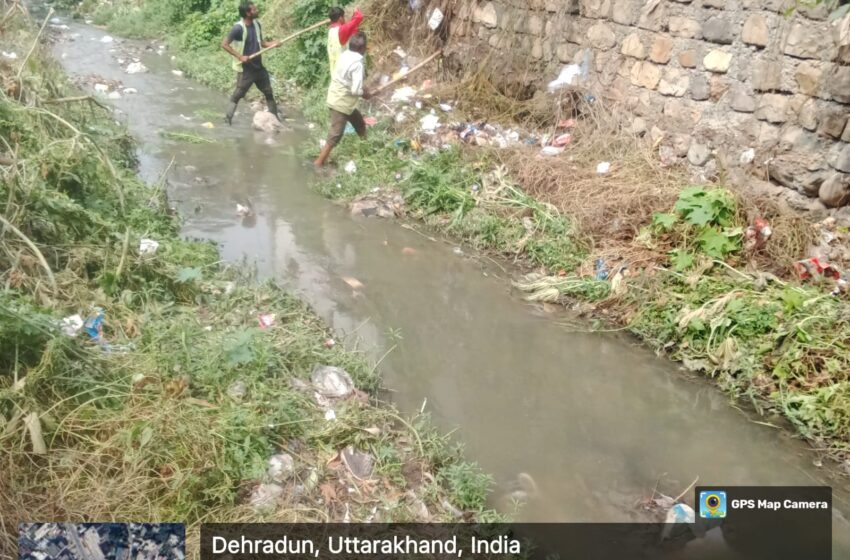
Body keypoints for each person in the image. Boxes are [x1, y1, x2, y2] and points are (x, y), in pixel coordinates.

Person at [314, 32, 370, 169]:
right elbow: (356, 90)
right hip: (341, 103)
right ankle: (318, 163)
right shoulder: (357, 64)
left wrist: (362, 89)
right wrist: (365, 94)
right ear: (362, 48)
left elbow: (348, 80)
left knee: (359, 123)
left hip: (338, 97)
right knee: (336, 134)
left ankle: (367, 150)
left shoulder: (345, 54)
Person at [221, 2, 281, 125]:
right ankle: (227, 120)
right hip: (246, 69)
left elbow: (261, 43)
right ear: (248, 13)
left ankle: (275, 119)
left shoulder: (257, 24)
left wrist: (273, 44)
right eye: (254, 9)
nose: (257, 10)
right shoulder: (238, 28)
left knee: (268, 92)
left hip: (259, 67)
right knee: (238, 95)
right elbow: (224, 44)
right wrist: (240, 56)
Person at [327, 6, 363, 75]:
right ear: (340, 18)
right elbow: (359, 18)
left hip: (335, 71)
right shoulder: (341, 30)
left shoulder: (331, 31)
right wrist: (356, 11)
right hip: (344, 72)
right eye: (344, 17)